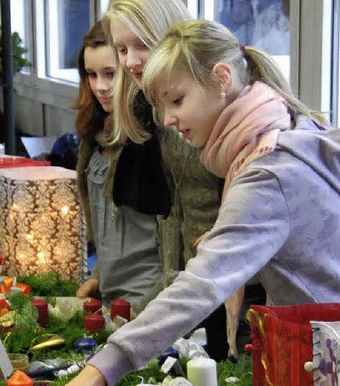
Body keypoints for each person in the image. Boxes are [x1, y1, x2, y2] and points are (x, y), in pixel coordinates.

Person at [66, 19, 340, 386]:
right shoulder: (285, 130)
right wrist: (252, 238)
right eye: (161, 106)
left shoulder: (267, 170)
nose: (168, 118)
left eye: (176, 100)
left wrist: (103, 367)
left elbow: (202, 284)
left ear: (222, 79)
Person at [99, 0, 235, 361]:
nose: (129, 61)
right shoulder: (154, 108)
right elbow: (172, 216)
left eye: (142, 45)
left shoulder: (202, 106)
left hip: (222, 287)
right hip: (187, 284)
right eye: (122, 49)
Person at [72, 21, 163, 312]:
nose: (100, 86)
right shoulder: (94, 133)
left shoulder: (157, 133)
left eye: (110, 74)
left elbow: (176, 239)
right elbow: (108, 225)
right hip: (111, 300)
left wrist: (149, 310)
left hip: (153, 304)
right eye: (91, 75)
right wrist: (98, 276)